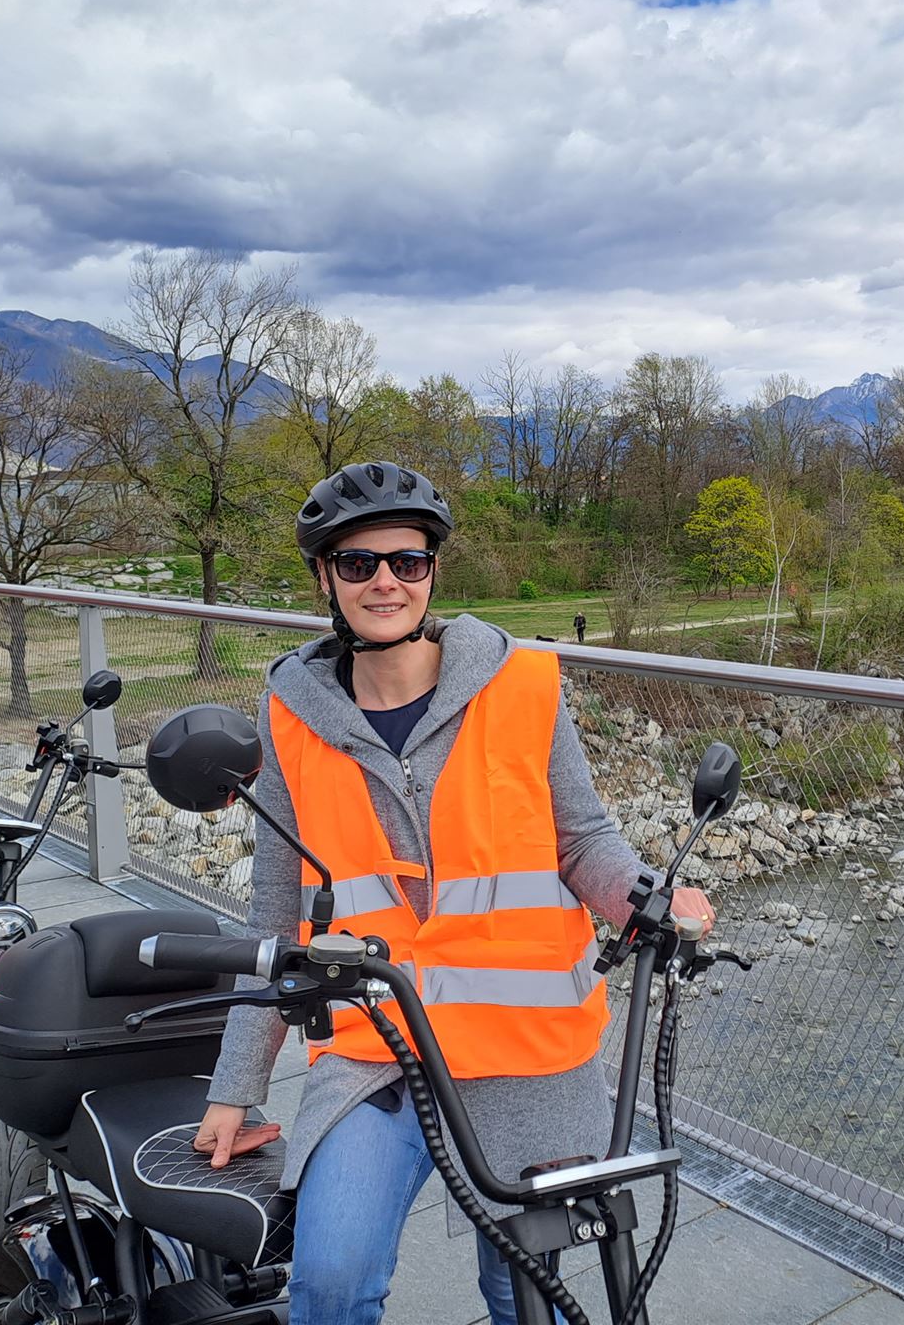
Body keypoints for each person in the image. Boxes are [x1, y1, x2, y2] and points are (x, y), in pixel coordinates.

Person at [193, 461, 715, 1325]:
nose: (385, 581)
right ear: (325, 578)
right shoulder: (289, 713)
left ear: (434, 571)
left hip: (524, 1050)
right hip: (378, 1049)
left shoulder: (523, 686)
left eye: (408, 560)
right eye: (358, 563)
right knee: (330, 1280)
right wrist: (234, 1084)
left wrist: (649, 900)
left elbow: (582, 840)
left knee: (524, 1293)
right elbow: (273, 912)